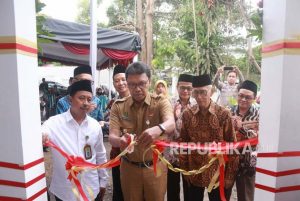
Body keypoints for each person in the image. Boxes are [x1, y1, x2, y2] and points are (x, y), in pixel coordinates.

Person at [109, 61, 175, 201]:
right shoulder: (119, 106)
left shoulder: (161, 102)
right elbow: (112, 136)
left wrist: (159, 128)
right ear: (127, 83)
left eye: (142, 83)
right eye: (132, 84)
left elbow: (171, 123)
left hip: (155, 168)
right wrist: (120, 141)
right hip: (129, 168)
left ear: (149, 82)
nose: (137, 88)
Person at [42, 80, 108, 201]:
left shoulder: (95, 126)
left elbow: (100, 155)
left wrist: (103, 181)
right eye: (81, 98)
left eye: (89, 99)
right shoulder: (54, 123)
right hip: (64, 191)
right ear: (70, 99)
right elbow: (43, 131)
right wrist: (43, 135)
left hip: (90, 188)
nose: (86, 103)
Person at [179, 74, 238, 201]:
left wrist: (229, 176)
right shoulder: (187, 115)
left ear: (211, 92)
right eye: (196, 93)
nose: (199, 97)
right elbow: (183, 142)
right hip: (194, 171)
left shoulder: (223, 114)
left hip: (217, 172)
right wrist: (185, 171)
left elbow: (232, 145)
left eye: (203, 92)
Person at [166, 74, 196, 201]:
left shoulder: (196, 104)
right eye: (182, 87)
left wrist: (182, 115)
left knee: (189, 186)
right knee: (172, 187)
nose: (185, 91)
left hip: (189, 153)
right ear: (177, 87)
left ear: (192, 89)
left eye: (189, 88)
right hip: (171, 152)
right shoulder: (168, 102)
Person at [231, 80, 259, 201]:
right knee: (223, 193)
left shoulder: (259, 114)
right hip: (229, 160)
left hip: (248, 162)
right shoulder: (229, 111)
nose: (243, 99)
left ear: (254, 98)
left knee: (246, 196)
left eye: (248, 97)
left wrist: (241, 128)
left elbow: (257, 137)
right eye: (241, 96)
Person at [106, 64, 130, 201]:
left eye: (123, 79)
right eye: (116, 80)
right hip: (117, 152)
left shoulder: (137, 100)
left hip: (135, 154)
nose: (120, 83)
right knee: (119, 189)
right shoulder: (113, 104)